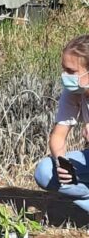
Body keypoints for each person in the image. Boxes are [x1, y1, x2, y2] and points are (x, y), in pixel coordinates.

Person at [34, 35, 89, 213]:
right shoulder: (74, 92)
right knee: (45, 172)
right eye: (63, 69)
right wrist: (61, 162)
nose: (65, 76)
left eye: (71, 71)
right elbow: (58, 136)